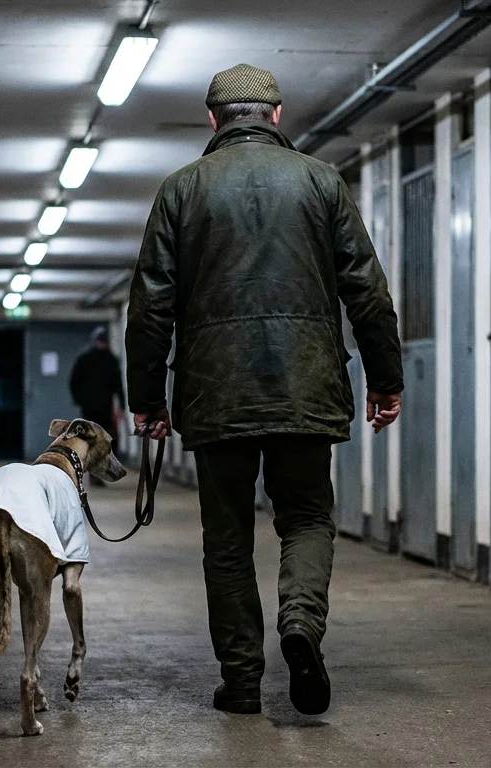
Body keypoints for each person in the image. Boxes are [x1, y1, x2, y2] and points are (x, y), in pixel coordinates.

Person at [125, 63, 403, 717]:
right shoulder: (322, 182)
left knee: (226, 539)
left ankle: (243, 680)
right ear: (277, 115)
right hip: (306, 386)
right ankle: (299, 624)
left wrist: (147, 398)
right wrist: (385, 379)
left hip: (216, 394)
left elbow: (150, 306)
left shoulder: (181, 190)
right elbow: (367, 290)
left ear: (213, 120)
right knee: (304, 518)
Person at [68, 327, 127, 462]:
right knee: (99, 437)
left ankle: (95, 464)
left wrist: (78, 400)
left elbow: (74, 382)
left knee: (94, 437)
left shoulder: (86, 359)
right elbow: (118, 385)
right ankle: (96, 464)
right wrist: (121, 405)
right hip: (99, 405)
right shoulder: (109, 360)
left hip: (95, 405)